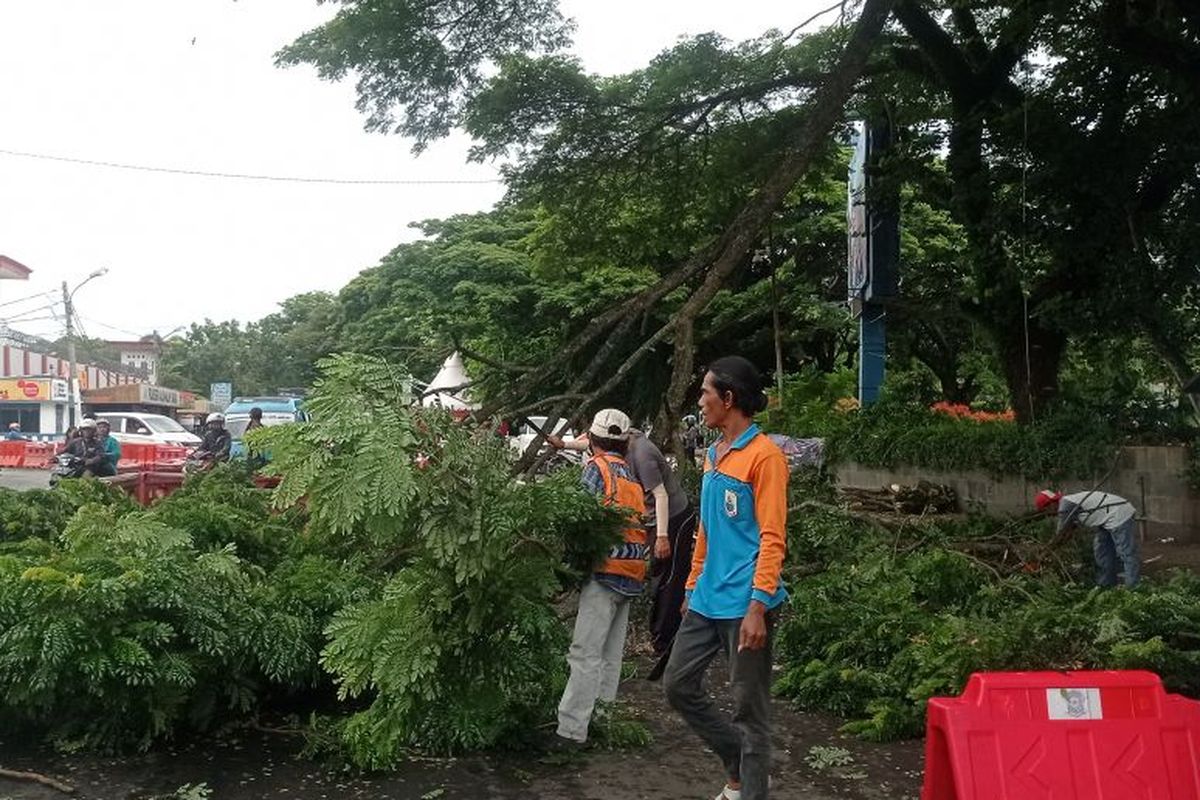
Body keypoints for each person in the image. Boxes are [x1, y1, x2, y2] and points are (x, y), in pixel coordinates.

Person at [664, 356, 788, 800]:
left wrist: (758, 605)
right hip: (705, 599)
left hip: (745, 605)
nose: (701, 401)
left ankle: (748, 788)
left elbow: (773, 537)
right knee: (677, 684)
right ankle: (737, 759)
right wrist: (692, 585)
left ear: (729, 398)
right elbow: (707, 530)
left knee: (750, 715)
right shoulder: (713, 455)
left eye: (706, 393)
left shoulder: (765, 458)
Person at [550, 423, 696, 655]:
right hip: (649, 519)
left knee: (667, 577)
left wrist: (662, 536)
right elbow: (590, 443)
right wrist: (563, 444)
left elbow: (661, 495)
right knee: (656, 572)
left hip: (674, 516)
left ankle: (665, 641)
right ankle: (662, 636)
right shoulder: (616, 448)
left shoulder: (642, 454)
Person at [555, 409, 648, 745]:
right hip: (632, 574)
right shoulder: (630, 478)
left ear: (592, 439)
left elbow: (580, 522)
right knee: (610, 656)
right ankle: (601, 723)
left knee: (585, 654)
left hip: (605, 572)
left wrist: (566, 570)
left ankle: (571, 731)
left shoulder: (597, 470)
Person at [1036, 489, 1140, 587]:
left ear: (1050, 504)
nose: (1049, 514)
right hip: (1106, 519)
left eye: (1046, 511)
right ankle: (1106, 585)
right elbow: (1067, 533)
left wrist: (1045, 552)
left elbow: (1059, 535)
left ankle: (1133, 588)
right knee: (1102, 552)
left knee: (1126, 553)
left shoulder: (1065, 506)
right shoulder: (1069, 504)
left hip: (1119, 513)